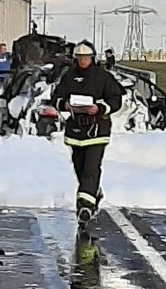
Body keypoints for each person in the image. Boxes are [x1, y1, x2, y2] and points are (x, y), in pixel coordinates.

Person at [52, 40, 125, 225]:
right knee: (80, 168)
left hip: (97, 129)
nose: (83, 61)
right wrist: (64, 104)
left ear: (92, 57)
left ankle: (85, 206)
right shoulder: (68, 76)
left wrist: (99, 108)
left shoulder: (103, 77)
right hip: (76, 130)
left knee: (91, 169)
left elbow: (116, 99)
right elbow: (56, 97)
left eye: (86, 57)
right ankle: (94, 192)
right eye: (79, 57)